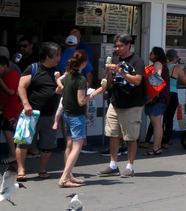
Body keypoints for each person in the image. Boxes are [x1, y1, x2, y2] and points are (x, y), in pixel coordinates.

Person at [98, 33, 146, 178]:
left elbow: (137, 80)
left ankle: (129, 167)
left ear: (128, 46)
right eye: (116, 46)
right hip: (116, 102)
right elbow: (110, 81)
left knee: (130, 136)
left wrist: (120, 71)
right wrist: (109, 74)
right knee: (113, 134)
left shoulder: (137, 61)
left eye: (120, 46)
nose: (117, 49)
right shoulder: (115, 59)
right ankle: (113, 165)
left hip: (132, 104)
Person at [57, 50, 106, 188]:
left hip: (66, 114)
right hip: (76, 116)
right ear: (84, 63)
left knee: (69, 145)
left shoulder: (66, 77)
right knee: (77, 147)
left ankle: (69, 174)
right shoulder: (81, 79)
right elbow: (81, 101)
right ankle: (64, 177)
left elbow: (58, 90)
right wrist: (97, 92)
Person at [16, 42, 61, 181]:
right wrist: (26, 104)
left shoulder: (57, 71)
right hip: (31, 114)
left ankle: (42, 169)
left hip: (50, 115)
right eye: (57, 55)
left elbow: (59, 91)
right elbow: (21, 87)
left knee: (47, 145)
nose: (59, 58)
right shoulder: (33, 68)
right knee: (24, 142)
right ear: (48, 56)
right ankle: (21, 169)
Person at [142, 49, 186, 150]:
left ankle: (147, 141)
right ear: (175, 59)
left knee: (155, 121)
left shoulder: (160, 65)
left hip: (159, 94)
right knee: (168, 120)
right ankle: (165, 143)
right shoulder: (176, 68)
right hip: (171, 95)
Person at [142, 47, 170, 156]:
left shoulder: (158, 63)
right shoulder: (163, 63)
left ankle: (156, 148)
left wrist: (152, 95)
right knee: (157, 123)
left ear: (156, 55)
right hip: (163, 97)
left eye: (151, 53)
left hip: (158, 97)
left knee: (156, 123)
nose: (150, 55)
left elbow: (156, 78)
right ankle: (157, 147)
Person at [0, 56, 22, 167]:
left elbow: (11, 91)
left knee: (7, 129)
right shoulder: (5, 75)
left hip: (13, 108)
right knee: (8, 130)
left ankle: (13, 155)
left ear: (4, 65)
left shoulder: (12, 74)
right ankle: (12, 154)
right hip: (7, 107)